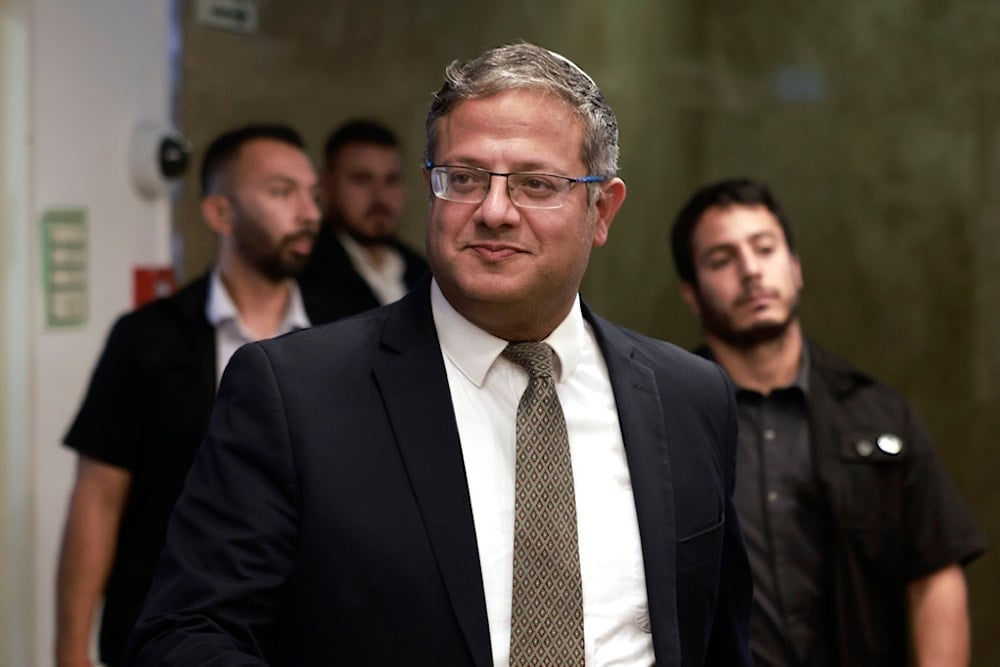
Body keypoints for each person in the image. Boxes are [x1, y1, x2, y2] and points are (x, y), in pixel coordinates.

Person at [124, 43, 753, 666]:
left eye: (536, 184)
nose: (495, 211)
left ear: (601, 210)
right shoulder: (296, 395)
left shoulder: (689, 398)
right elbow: (186, 634)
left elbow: (718, 639)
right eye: (465, 179)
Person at [669, 177, 988, 666]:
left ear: (795, 268)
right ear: (691, 294)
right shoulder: (668, 420)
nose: (751, 271)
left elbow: (934, 577)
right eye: (722, 259)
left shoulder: (877, 413)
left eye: (765, 248)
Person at [55, 124, 325, 667]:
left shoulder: (344, 335)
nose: (309, 212)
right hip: (161, 634)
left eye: (313, 194)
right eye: (281, 192)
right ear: (220, 214)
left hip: (300, 639)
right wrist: (70, 651)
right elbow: (98, 497)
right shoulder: (148, 337)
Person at [299, 119, 428, 322]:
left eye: (391, 180)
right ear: (326, 187)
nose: (380, 197)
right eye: (361, 179)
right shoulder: (303, 271)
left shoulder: (423, 271)